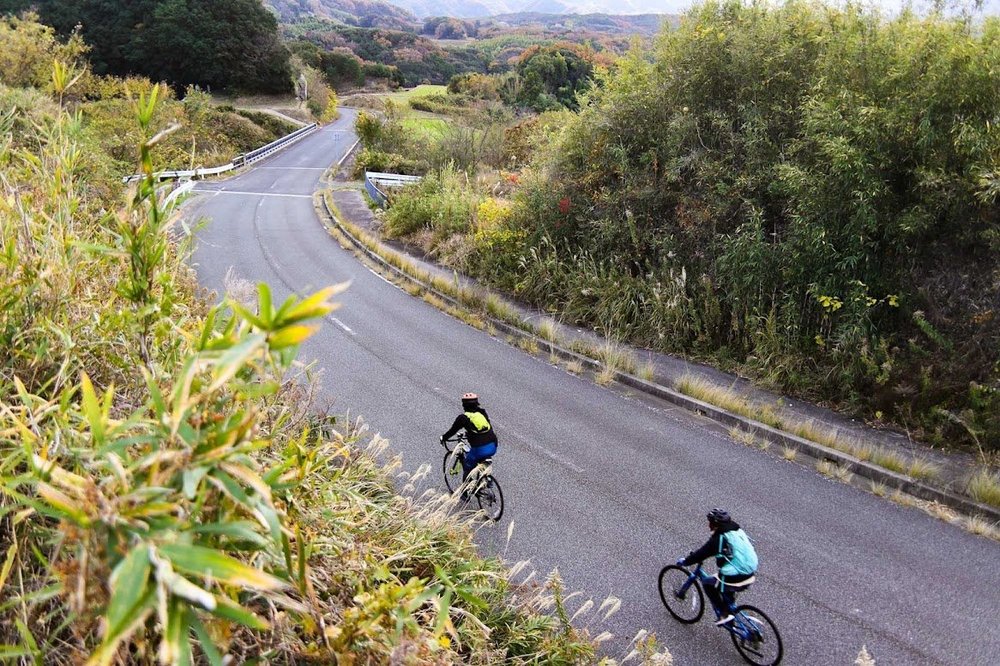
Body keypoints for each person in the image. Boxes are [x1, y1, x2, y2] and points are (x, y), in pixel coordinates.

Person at [678, 508, 759, 625]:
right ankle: (731, 613)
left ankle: (724, 614)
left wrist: (685, 561)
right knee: (725, 587)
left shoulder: (718, 539)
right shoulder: (737, 530)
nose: (708, 525)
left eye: (710, 522)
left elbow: (702, 553)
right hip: (751, 569)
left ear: (715, 524)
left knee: (707, 583)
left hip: (737, 574)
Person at [441, 393, 498, 480]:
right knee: (481, 458)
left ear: (463, 405)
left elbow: (453, 431)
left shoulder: (463, 418)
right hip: (493, 446)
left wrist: (444, 438)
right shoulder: (482, 412)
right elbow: (484, 429)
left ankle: (464, 492)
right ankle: (487, 480)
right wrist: (470, 434)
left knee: (468, 469)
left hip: (479, 450)